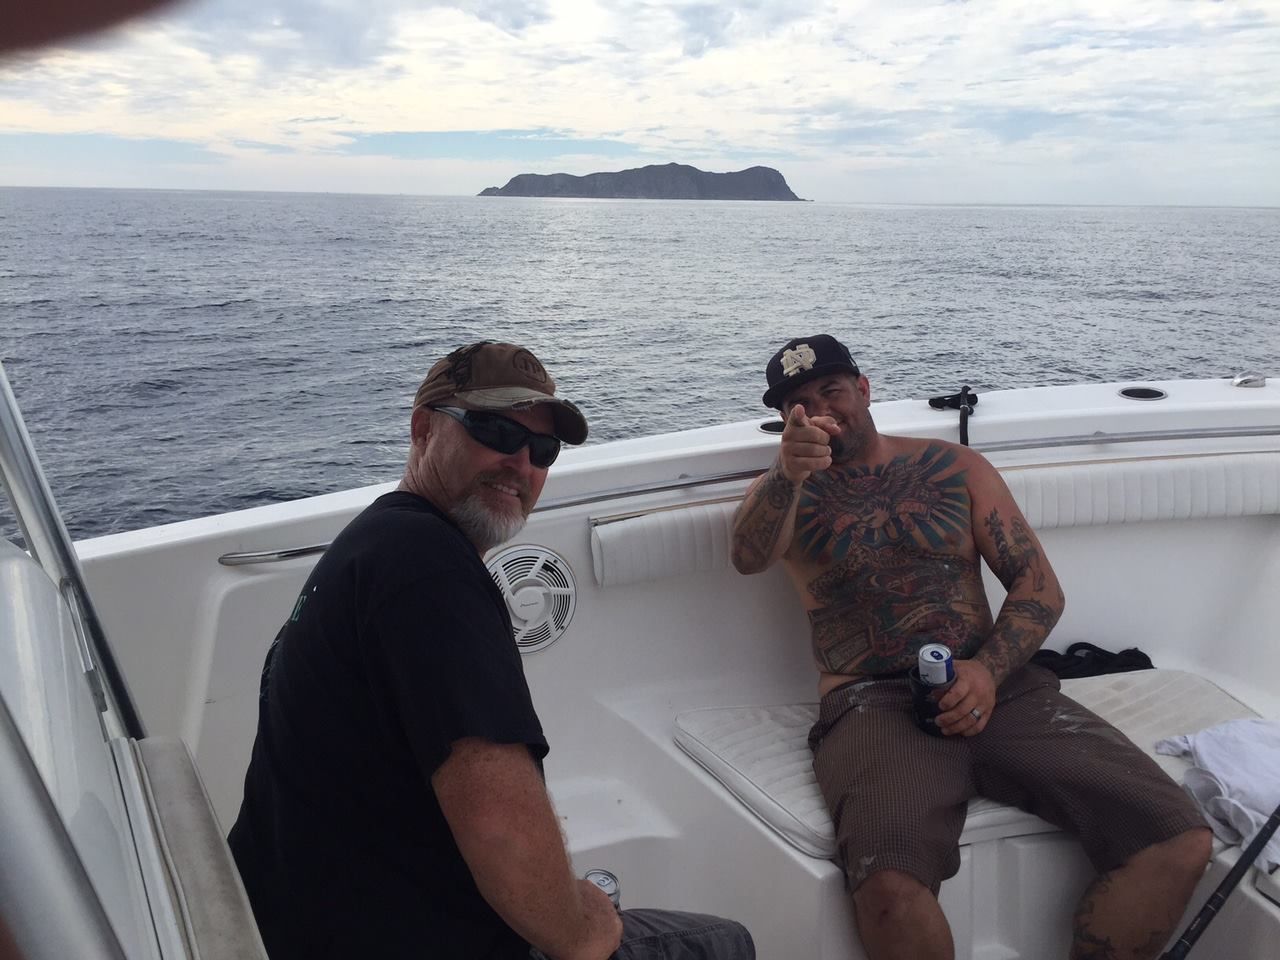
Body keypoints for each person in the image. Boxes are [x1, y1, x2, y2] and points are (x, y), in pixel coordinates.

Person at [228, 341, 754, 960]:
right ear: (423, 428)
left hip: (298, 923)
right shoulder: (427, 569)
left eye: (543, 449)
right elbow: (503, 836)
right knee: (721, 943)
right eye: (495, 429)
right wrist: (586, 925)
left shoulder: (372, 544)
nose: (521, 463)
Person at [729, 334, 1212, 960]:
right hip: (872, 703)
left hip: (1002, 686)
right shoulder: (783, 493)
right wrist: (787, 473)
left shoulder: (955, 469)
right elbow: (747, 557)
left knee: (1178, 838)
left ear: (864, 389)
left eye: (832, 391)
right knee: (888, 887)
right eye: (799, 403)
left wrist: (986, 672)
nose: (821, 409)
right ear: (784, 419)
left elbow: (1039, 587)